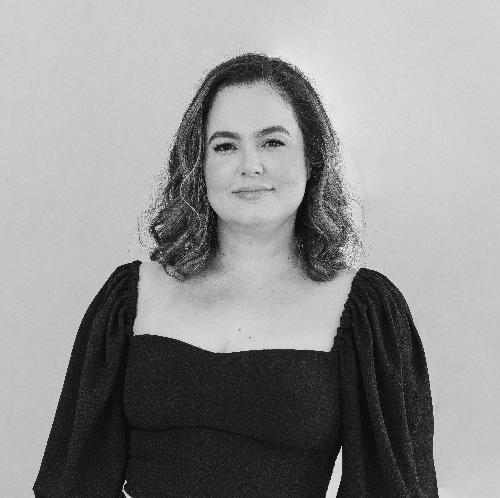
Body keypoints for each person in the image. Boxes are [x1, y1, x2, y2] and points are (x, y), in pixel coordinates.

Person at [33, 53, 439, 497]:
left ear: (312, 158)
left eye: (272, 142)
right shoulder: (130, 297)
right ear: (199, 164)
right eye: (225, 146)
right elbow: (72, 484)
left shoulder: (365, 312)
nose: (250, 166)